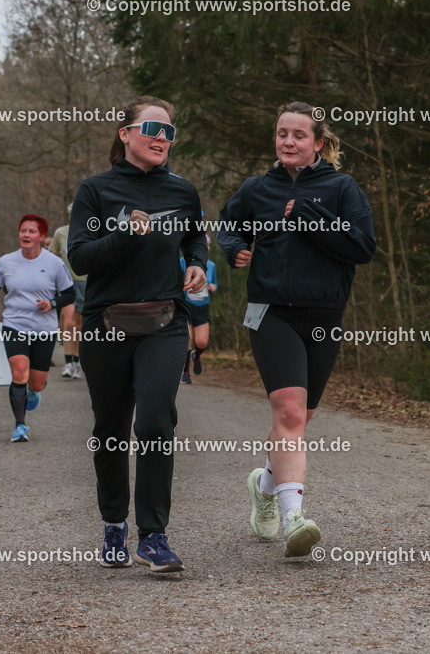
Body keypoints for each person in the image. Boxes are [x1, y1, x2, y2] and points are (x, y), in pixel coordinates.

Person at [217, 101, 376, 558]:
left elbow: (362, 247)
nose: (288, 141)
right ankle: (294, 519)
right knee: (288, 413)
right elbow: (228, 227)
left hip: (324, 315)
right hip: (271, 312)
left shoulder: (342, 188)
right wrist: (233, 250)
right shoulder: (255, 189)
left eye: (299, 135)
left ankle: (265, 485)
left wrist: (306, 215)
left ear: (318, 144)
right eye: (282, 134)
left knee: (300, 421)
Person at [68, 96, 207, 573]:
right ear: (125, 133)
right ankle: (113, 527)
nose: (161, 138)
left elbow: (194, 236)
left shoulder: (184, 191)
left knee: (154, 421)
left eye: (169, 131)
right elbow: (80, 260)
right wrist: (125, 233)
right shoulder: (95, 190)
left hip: (165, 323)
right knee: (110, 429)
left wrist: (196, 265)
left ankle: (153, 535)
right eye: (152, 128)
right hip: (106, 325)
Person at [0, 214, 74, 443]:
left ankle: (32, 391)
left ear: (42, 237)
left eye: (32, 231)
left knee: (37, 383)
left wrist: (52, 303)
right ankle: (20, 426)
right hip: (15, 323)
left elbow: (70, 294)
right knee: (18, 372)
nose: (26, 235)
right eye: (23, 231)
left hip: (45, 328)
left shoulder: (54, 263)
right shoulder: (6, 262)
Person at [50, 206, 86, 379]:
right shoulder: (60, 232)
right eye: (73, 213)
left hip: (87, 282)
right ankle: (68, 363)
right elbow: (51, 255)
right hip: (67, 282)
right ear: (70, 215)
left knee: (79, 325)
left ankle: (77, 362)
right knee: (69, 322)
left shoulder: (91, 230)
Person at [179, 240, 217, 384]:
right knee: (188, 341)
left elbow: (215, 283)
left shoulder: (212, 265)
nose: (206, 247)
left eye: (207, 245)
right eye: (204, 244)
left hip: (202, 307)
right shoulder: (182, 262)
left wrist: (213, 288)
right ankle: (186, 372)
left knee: (202, 343)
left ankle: (197, 356)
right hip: (186, 305)